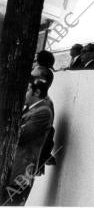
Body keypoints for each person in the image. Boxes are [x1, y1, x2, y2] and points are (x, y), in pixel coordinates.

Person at [2, 78, 54, 206]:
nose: (23, 93)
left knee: (10, 203)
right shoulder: (30, 108)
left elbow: (20, 136)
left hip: (21, 171)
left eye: (27, 90)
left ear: (36, 93)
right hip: (14, 167)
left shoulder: (43, 111)